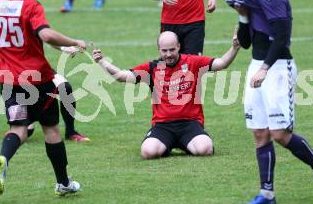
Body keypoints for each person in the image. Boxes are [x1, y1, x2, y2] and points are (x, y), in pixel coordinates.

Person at [223, 0, 313, 204]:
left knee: (280, 134)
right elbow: (245, 43)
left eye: (236, 4)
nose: (236, 7)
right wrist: (242, 16)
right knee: (259, 133)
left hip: (279, 68)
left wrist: (264, 69)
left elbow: (281, 39)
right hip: (257, 66)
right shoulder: (249, 4)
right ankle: (267, 194)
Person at [0, 0, 85, 196]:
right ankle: (63, 183)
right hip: (37, 80)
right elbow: (46, 35)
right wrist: (74, 41)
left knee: (18, 129)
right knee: (51, 130)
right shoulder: (31, 5)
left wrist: (10, 45)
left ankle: (3, 158)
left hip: (8, 80)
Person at [92, 31, 240, 159]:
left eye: (172, 50)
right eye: (164, 51)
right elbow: (122, 76)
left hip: (190, 123)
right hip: (163, 126)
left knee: (205, 149)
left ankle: (187, 143)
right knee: (148, 152)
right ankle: (169, 144)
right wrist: (102, 62)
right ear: (159, 50)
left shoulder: (193, 62)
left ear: (179, 47)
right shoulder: (152, 68)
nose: (168, 54)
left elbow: (221, 63)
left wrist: (234, 47)